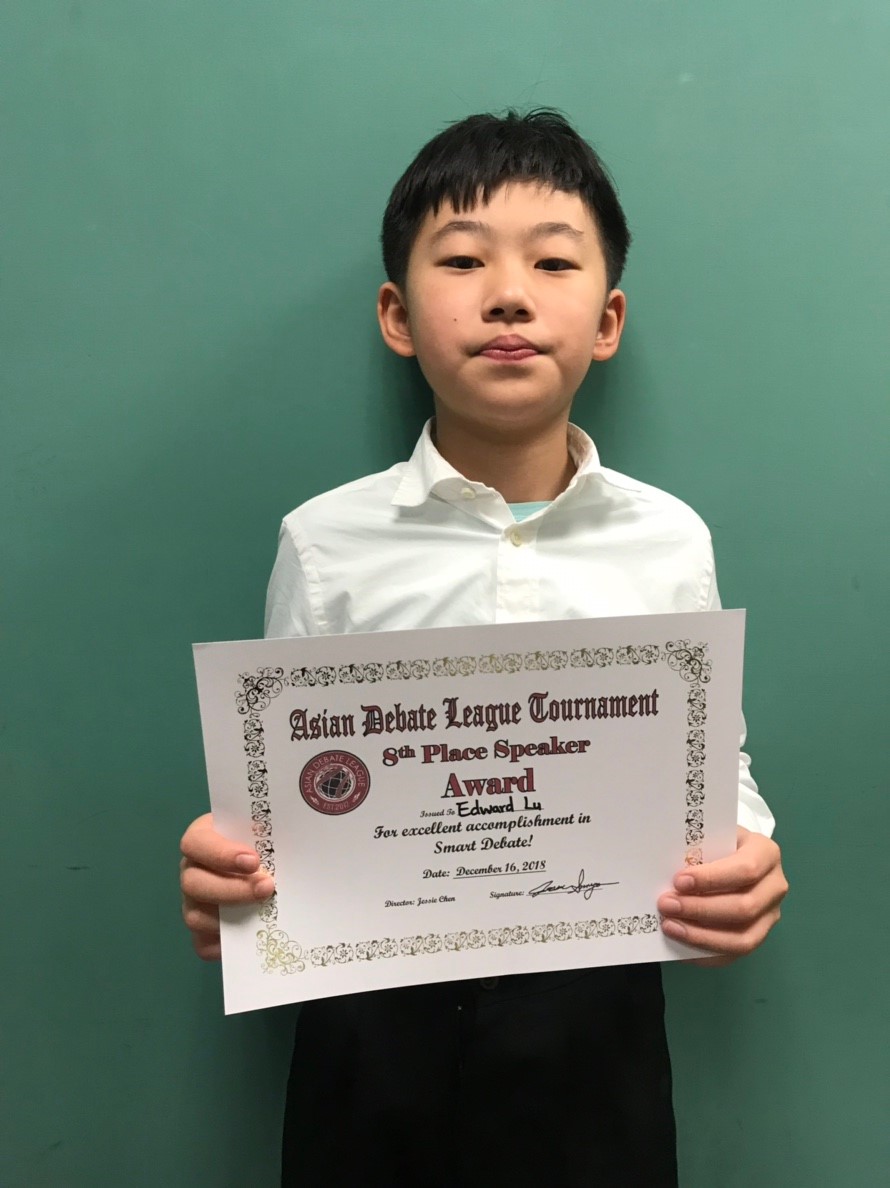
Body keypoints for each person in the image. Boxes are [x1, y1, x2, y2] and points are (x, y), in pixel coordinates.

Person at [180, 109, 788, 1186]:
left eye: (552, 262)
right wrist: (235, 871)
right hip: (369, 1030)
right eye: (461, 260)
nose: (508, 294)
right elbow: (280, 796)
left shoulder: (669, 538)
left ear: (607, 320)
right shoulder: (324, 541)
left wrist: (743, 851)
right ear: (396, 314)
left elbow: (711, 764)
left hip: (594, 1023)